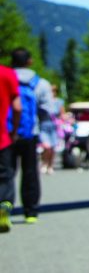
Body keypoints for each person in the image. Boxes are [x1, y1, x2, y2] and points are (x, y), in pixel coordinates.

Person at [7, 48, 54, 224]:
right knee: (30, 171)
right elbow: (47, 110)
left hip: (6, 134)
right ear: (30, 61)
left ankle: (5, 205)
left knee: (6, 172)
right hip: (30, 133)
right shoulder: (39, 83)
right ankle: (31, 211)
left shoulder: (5, 80)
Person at [0, 62, 21, 233]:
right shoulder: (7, 74)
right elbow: (17, 107)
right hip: (2, 138)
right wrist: (14, 130)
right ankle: (4, 205)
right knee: (5, 176)